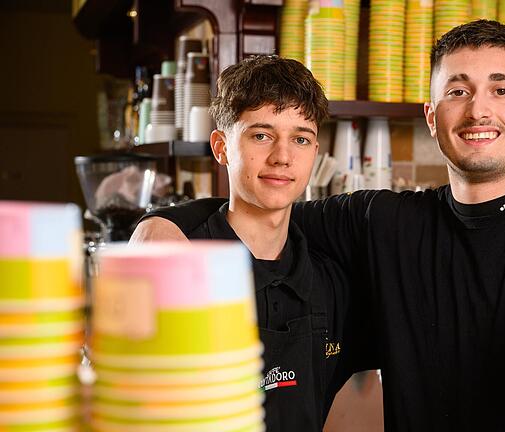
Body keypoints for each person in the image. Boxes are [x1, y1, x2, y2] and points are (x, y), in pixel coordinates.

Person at [133, 23, 505, 430]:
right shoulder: (383, 222)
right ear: (431, 115)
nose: (478, 110)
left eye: (501, 89)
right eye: (458, 91)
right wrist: (160, 226)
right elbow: (264, 203)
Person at [131, 55, 377, 431]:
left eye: (300, 139)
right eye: (261, 135)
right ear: (221, 147)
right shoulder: (176, 262)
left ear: (315, 152)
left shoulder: (330, 282)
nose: (282, 157)